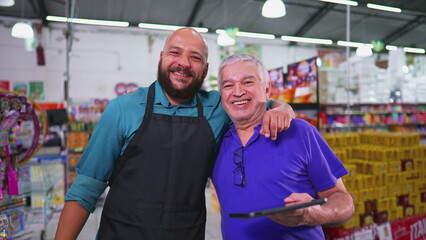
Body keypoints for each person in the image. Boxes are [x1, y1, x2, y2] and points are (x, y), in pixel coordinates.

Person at [55, 28, 295, 240]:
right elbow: (86, 189)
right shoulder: (123, 109)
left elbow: (254, 101)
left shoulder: (217, 108)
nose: (184, 63)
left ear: (206, 68)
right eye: (175, 53)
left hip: (186, 232)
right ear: (161, 58)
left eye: (195, 57)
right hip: (122, 232)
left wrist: (281, 107)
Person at [212, 54, 355, 240]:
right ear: (221, 94)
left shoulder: (300, 132)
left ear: (267, 89)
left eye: (248, 82)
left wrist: (314, 214)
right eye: (228, 85)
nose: (238, 92)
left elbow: (343, 202)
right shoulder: (215, 141)